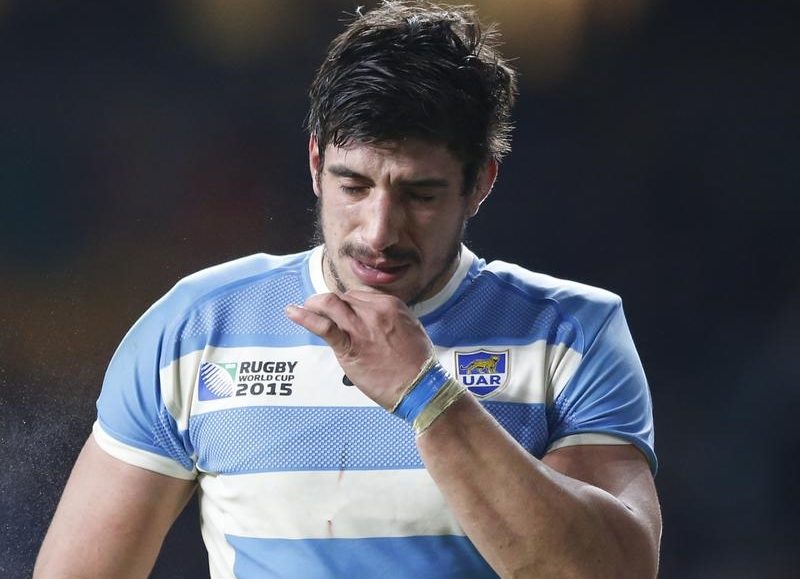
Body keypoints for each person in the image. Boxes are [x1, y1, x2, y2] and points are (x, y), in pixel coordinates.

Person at [35, 1, 661, 577]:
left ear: (480, 184)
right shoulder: (196, 329)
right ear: (315, 164)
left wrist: (427, 396)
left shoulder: (572, 334)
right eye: (354, 186)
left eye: (419, 194)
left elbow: (613, 573)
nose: (379, 231)